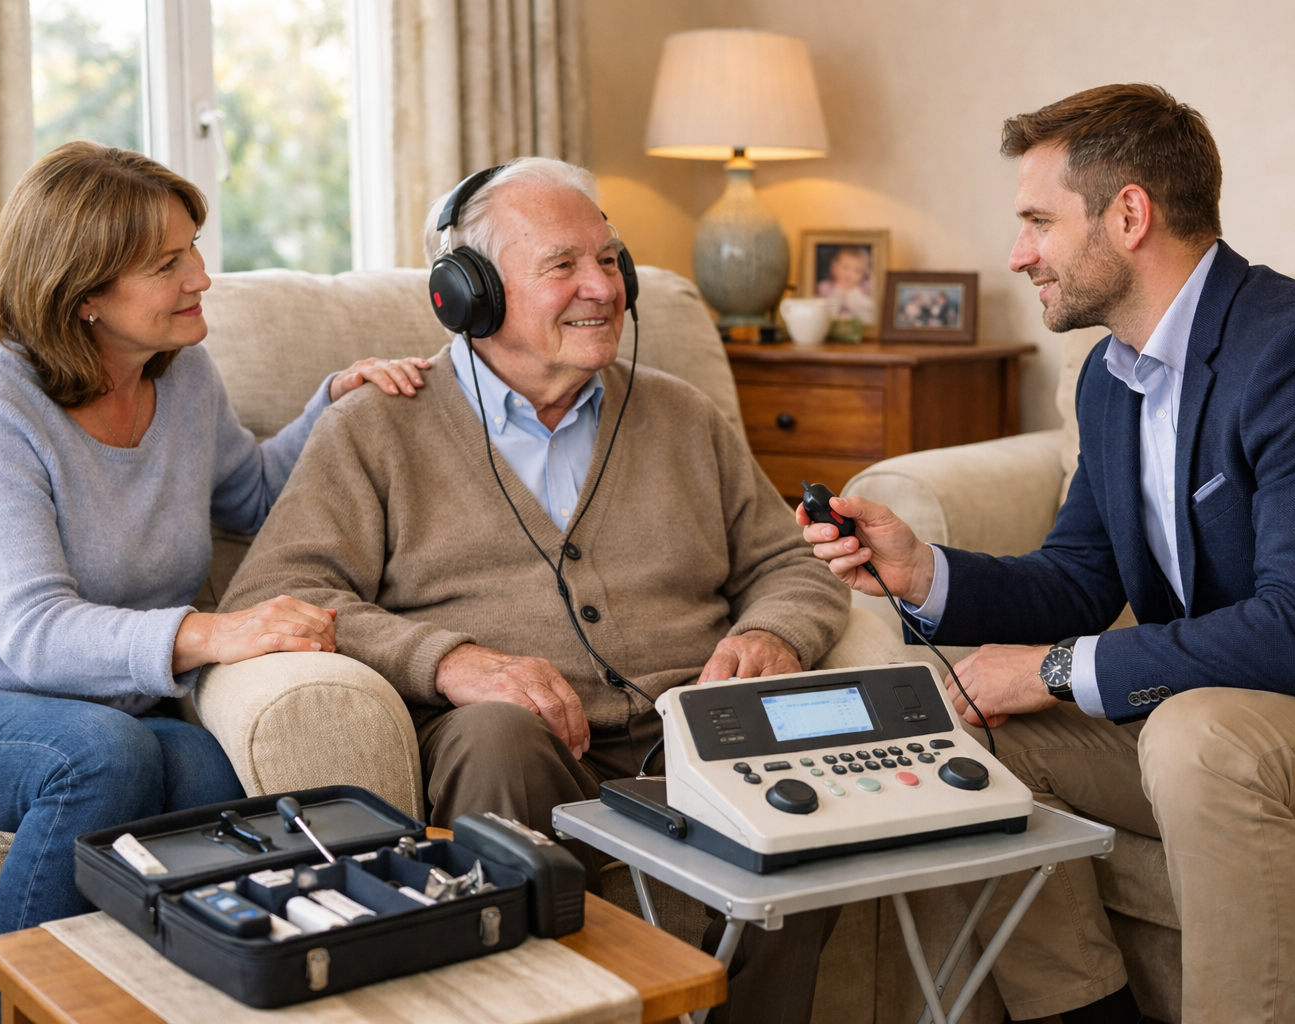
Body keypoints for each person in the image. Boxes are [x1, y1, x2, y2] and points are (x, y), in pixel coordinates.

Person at [804, 84, 1295, 1024]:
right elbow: (1080, 578)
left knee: (1196, 734)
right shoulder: (1108, 377)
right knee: (960, 723)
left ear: (1129, 213)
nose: (1017, 254)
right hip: (1214, 721)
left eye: (1038, 221)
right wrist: (922, 570)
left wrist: (1052, 669)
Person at [221, 156, 850, 1023]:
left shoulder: (683, 415)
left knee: (802, 750)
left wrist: (778, 633)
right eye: (563, 267)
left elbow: (788, 564)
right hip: (513, 743)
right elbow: (280, 592)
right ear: (469, 291)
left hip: (698, 728)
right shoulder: (376, 427)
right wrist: (448, 661)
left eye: (610, 261)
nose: (602, 288)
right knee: (497, 736)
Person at [0, 142, 431, 1024]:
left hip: (85, 712)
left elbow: (249, 495)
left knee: (208, 776)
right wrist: (218, 632)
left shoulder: (182, 378)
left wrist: (337, 401)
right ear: (84, 291)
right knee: (104, 757)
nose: (202, 276)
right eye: (168, 263)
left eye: (194, 249)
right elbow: (36, 632)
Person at [816, 244, 876, 322]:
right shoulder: (824, 288)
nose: (849, 274)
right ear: (834, 267)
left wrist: (869, 273)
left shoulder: (865, 288)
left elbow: (878, 284)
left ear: (864, 274)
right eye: (845, 267)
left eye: (857, 271)